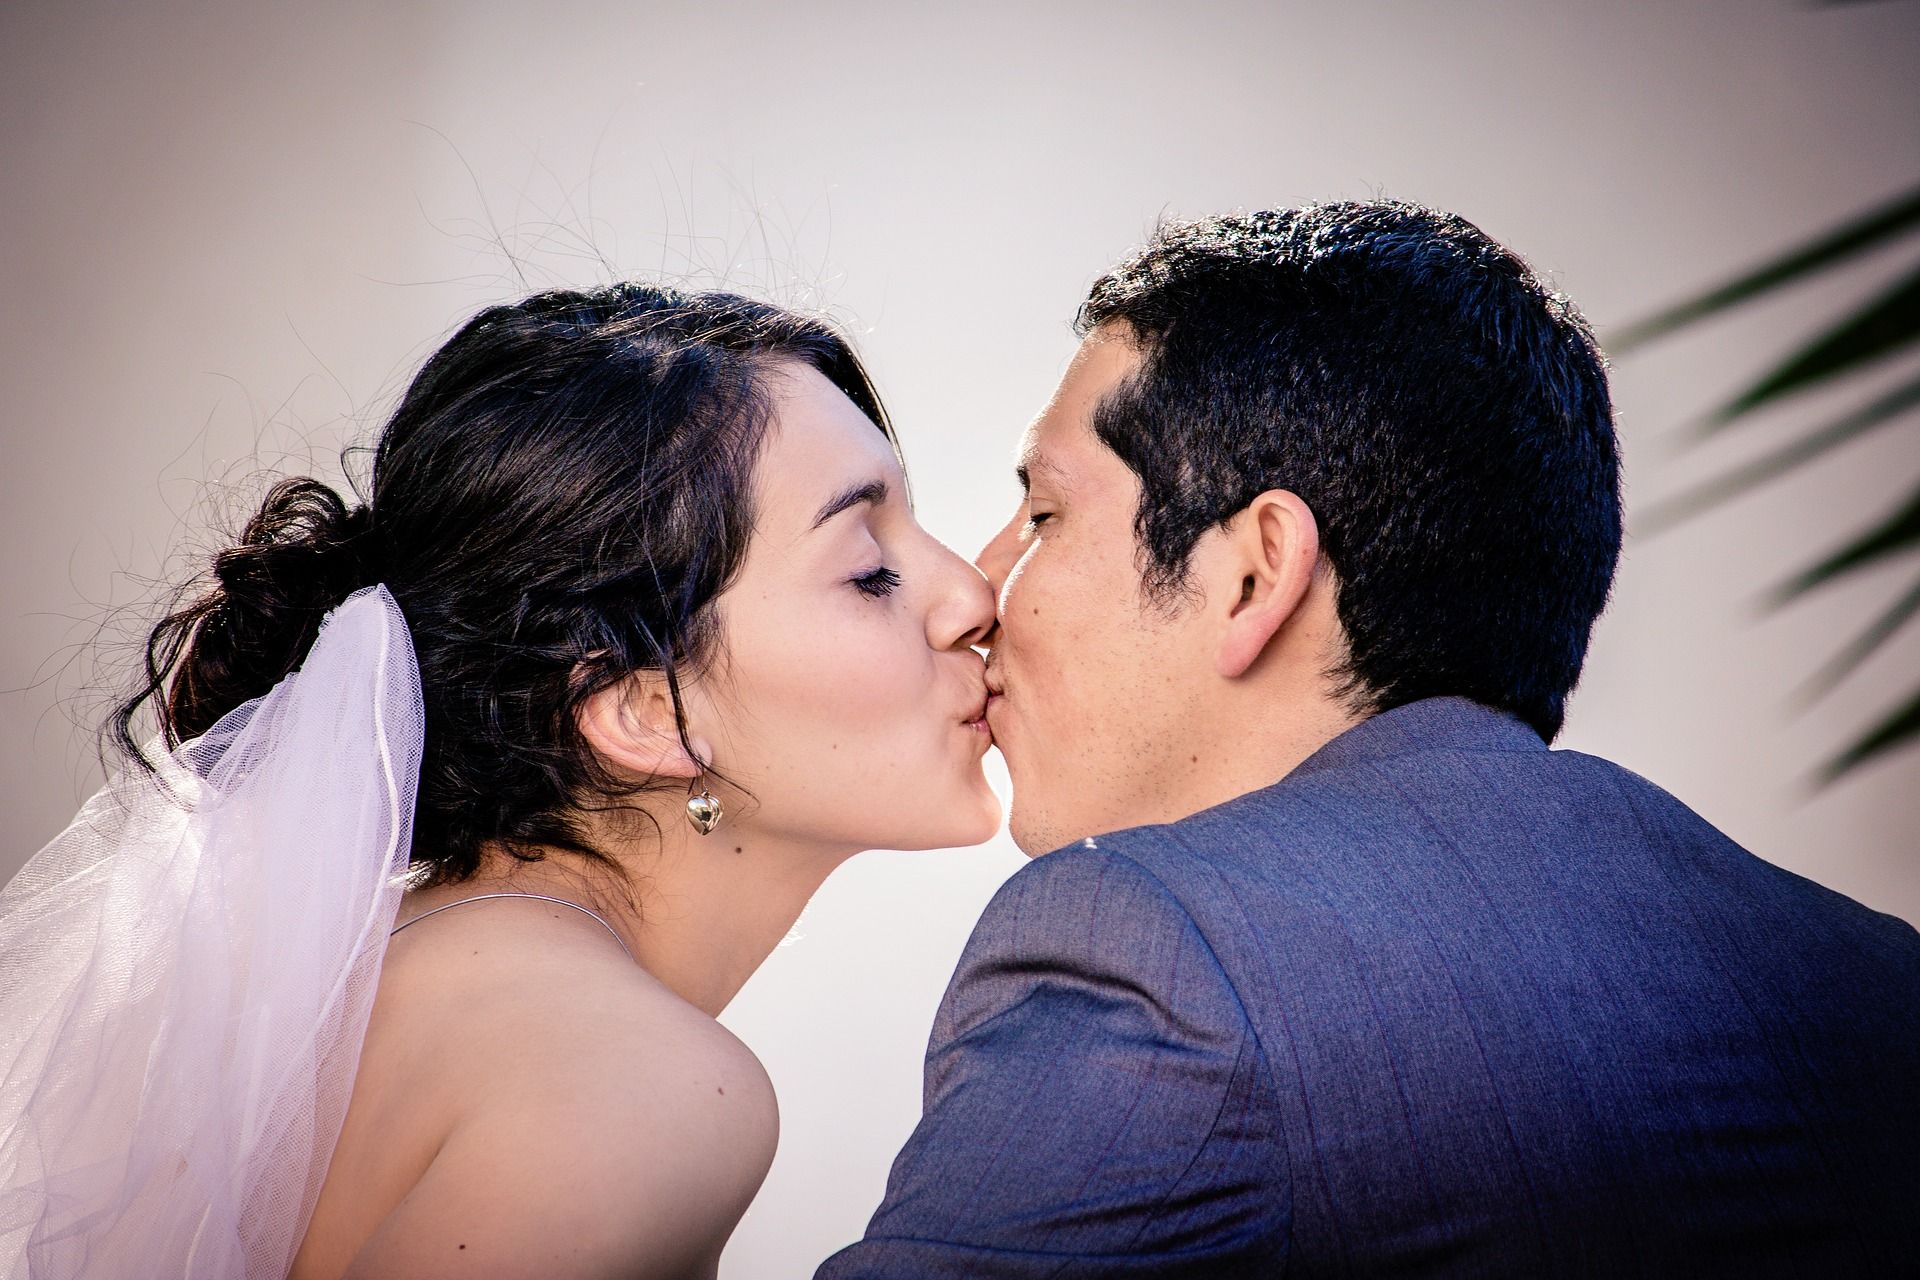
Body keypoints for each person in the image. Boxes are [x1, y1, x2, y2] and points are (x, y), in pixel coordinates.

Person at [818, 201, 1920, 1277]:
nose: (982, 586)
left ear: (1256, 571)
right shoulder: (1878, 981)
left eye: (1045, 515)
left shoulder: (1161, 952)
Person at [0, 284, 1000, 1278]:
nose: (973, 595)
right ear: (643, 710)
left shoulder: (359, 981)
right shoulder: (636, 1088)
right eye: (870, 570)